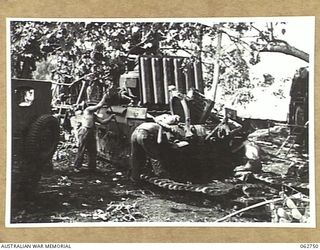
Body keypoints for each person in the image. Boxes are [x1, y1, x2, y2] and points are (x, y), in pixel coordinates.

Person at [73, 92, 115, 172]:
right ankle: (77, 166)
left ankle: (92, 167)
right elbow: (99, 105)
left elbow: (103, 122)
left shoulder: (93, 115)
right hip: (84, 131)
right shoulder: (87, 110)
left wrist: (111, 117)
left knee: (92, 150)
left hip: (91, 132)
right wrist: (105, 96)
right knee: (82, 149)